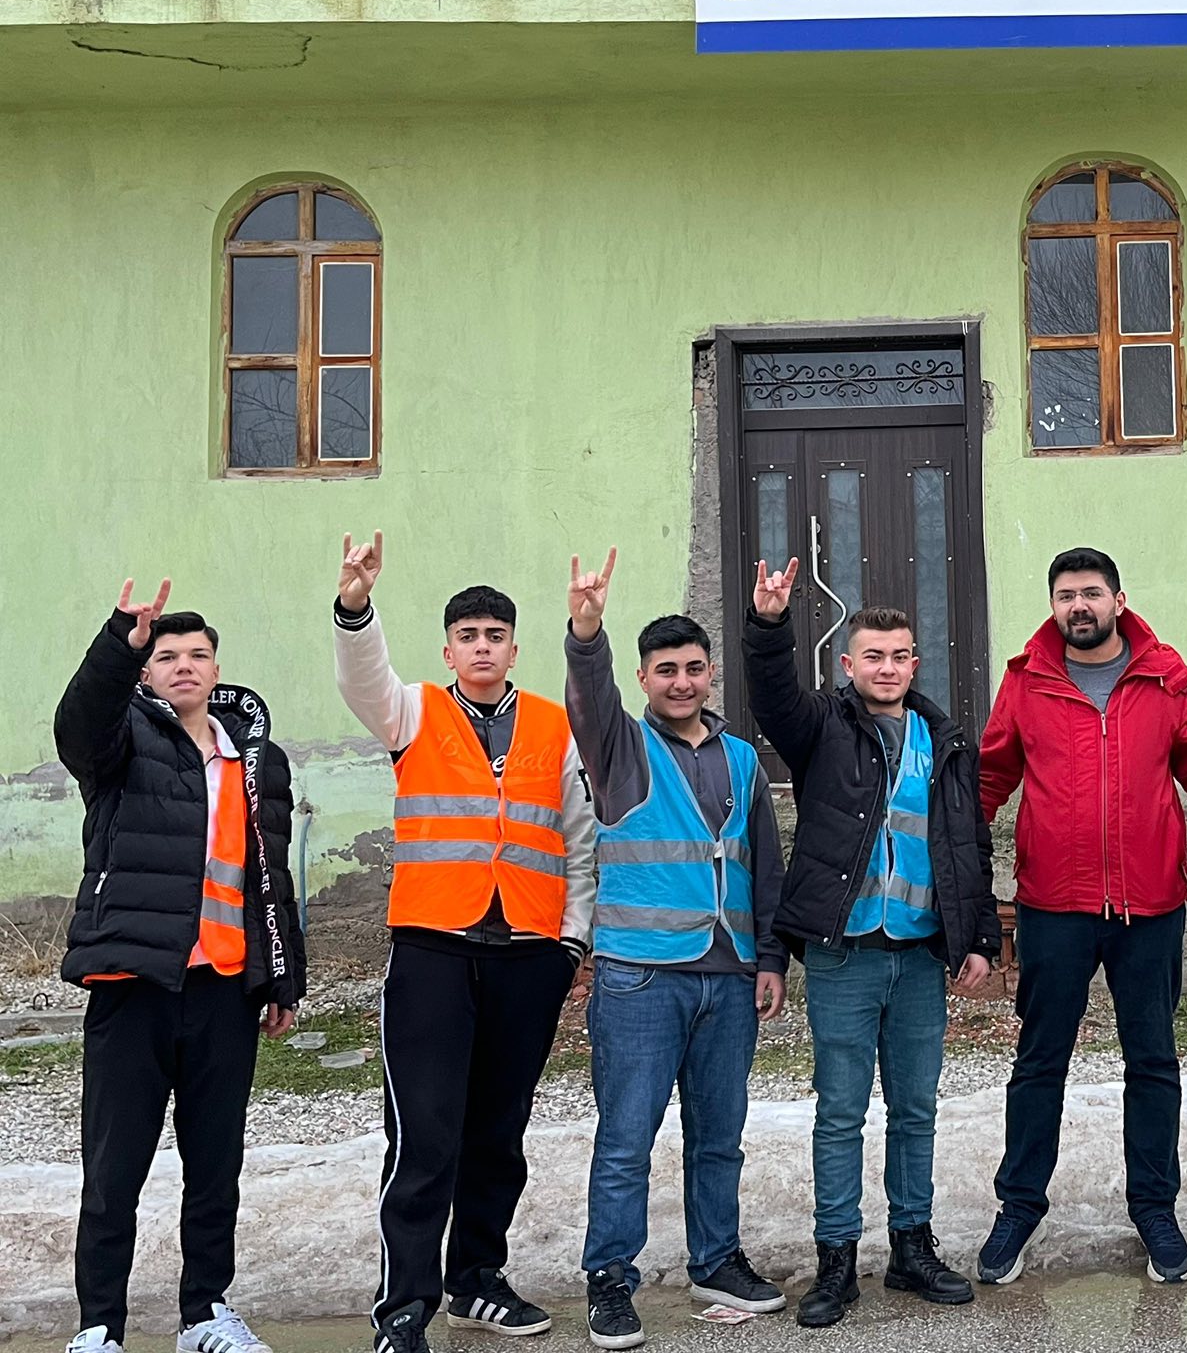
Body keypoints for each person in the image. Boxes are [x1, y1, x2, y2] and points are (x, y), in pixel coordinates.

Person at [331, 532, 597, 1353]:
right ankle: (404, 1306)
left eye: (495, 636)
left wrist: (572, 942)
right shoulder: (412, 709)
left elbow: (580, 837)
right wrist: (354, 606)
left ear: (514, 647)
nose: (482, 647)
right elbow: (361, 678)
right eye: (468, 636)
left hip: (527, 951)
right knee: (425, 1132)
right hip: (434, 952)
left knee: (498, 1131)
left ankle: (476, 1278)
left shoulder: (556, 724)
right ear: (448, 648)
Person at [975, 547, 1187, 1288]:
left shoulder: (1165, 675)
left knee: (1153, 1063)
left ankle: (1155, 1209)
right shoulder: (1026, 680)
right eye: (1066, 595)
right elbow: (993, 774)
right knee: (1039, 1064)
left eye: (1091, 593)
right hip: (1053, 906)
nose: (1079, 606)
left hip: (1150, 904)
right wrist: (957, 863)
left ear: (1119, 600)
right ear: (1054, 604)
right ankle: (1020, 1208)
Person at [742, 558, 1000, 1329]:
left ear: (916, 663)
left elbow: (967, 846)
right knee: (841, 1112)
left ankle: (912, 1248)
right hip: (845, 953)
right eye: (872, 657)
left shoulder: (946, 740)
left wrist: (979, 938)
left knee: (916, 1109)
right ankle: (836, 1260)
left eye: (900, 656)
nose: (887, 669)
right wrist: (767, 623)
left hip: (919, 955)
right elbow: (773, 697)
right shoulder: (821, 726)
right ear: (848, 665)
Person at [56, 580, 306, 1353]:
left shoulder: (256, 759)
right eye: (167, 656)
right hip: (134, 984)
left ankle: (205, 1313)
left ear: (217, 666)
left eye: (198, 654)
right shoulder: (120, 744)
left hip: (224, 988)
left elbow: (271, 875)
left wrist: (282, 976)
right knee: (114, 1168)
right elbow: (78, 724)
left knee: (215, 1165)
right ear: (147, 671)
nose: (185, 666)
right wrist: (116, 642)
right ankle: (100, 1326)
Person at [562, 548, 790, 1347]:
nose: (683, 681)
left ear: (709, 673)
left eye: (694, 668)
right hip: (640, 979)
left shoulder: (741, 758)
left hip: (728, 977)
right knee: (626, 1138)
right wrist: (586, 629)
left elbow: (765, 861)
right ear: (645, 677)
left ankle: (716, 1260)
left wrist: (770, 959)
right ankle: (610, 1279)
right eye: (667, 670)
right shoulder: (618, 747)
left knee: (718, 1135)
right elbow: (588, 698)